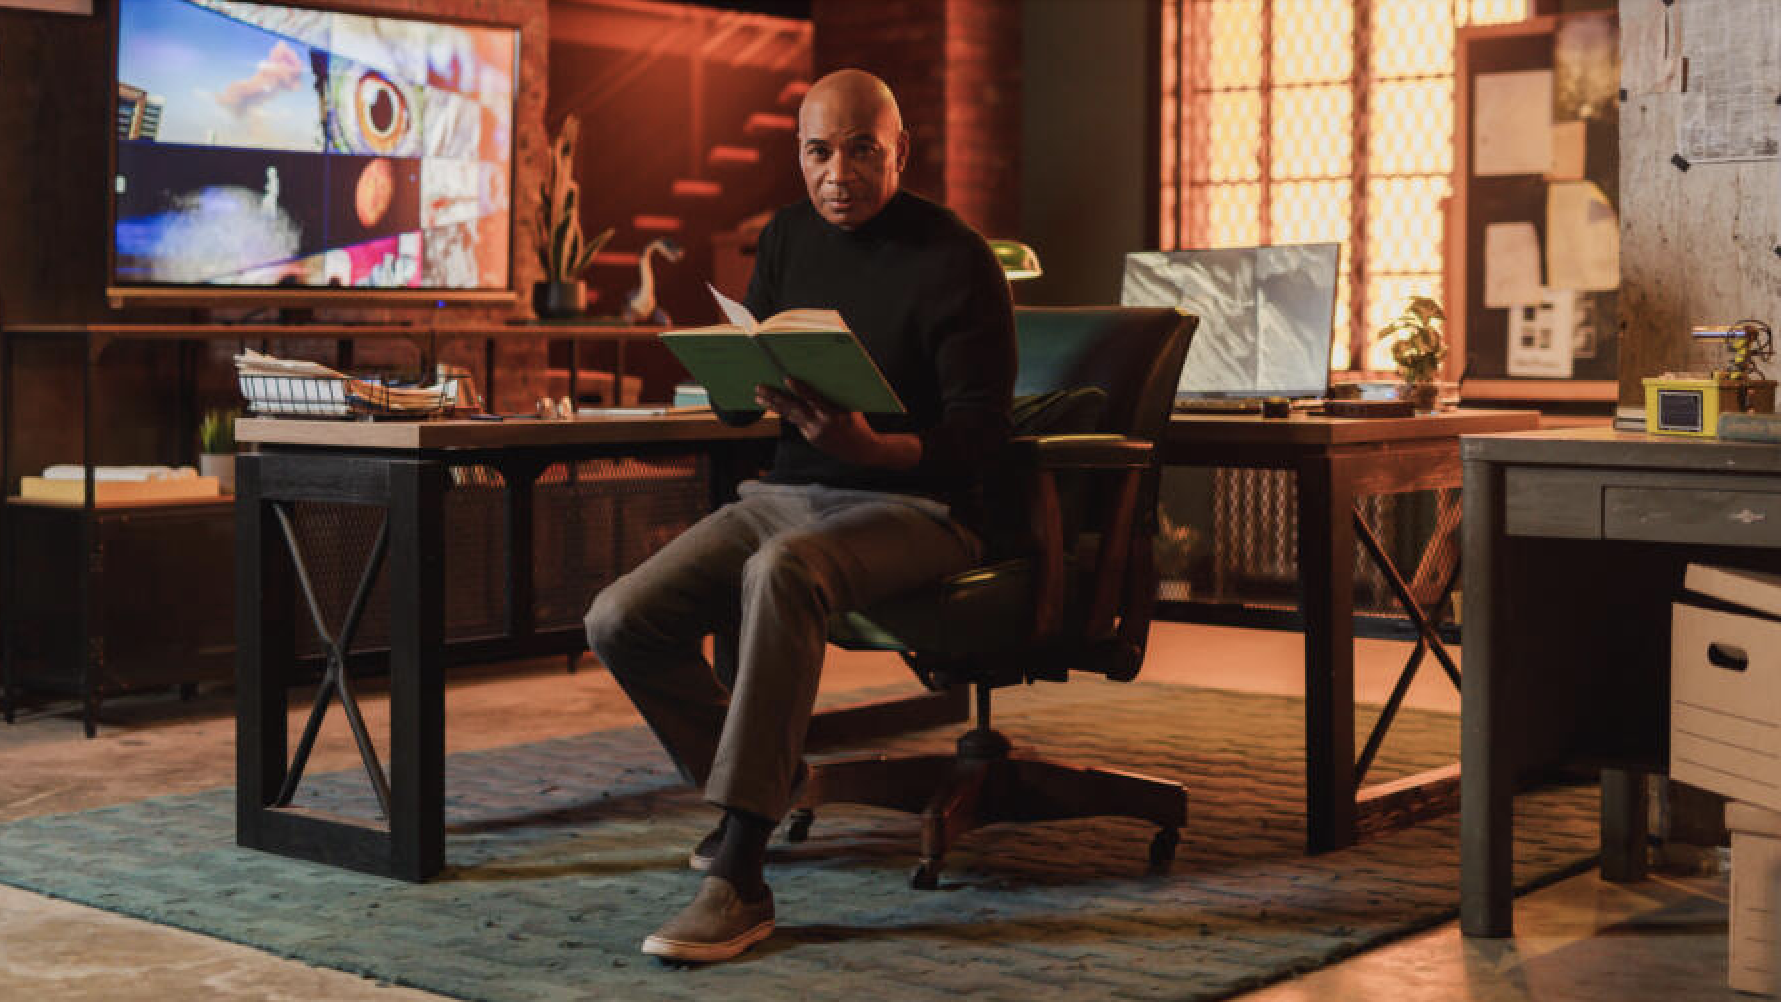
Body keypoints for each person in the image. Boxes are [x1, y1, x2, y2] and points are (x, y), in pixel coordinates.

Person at [583, 67, 1016, 964]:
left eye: (862, 150)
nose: (838, 174)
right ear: (799, 156)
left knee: (780, 571)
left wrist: (872, 449)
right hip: (788, 492)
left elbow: (978, 437)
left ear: (902, 150)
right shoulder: (784, 235)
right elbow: (764, 387)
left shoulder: (958, 257)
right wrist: (731, 375)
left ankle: (739, 870)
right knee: (621, 618)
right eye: (818, 152)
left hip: (919, 503)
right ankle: (758, 790)